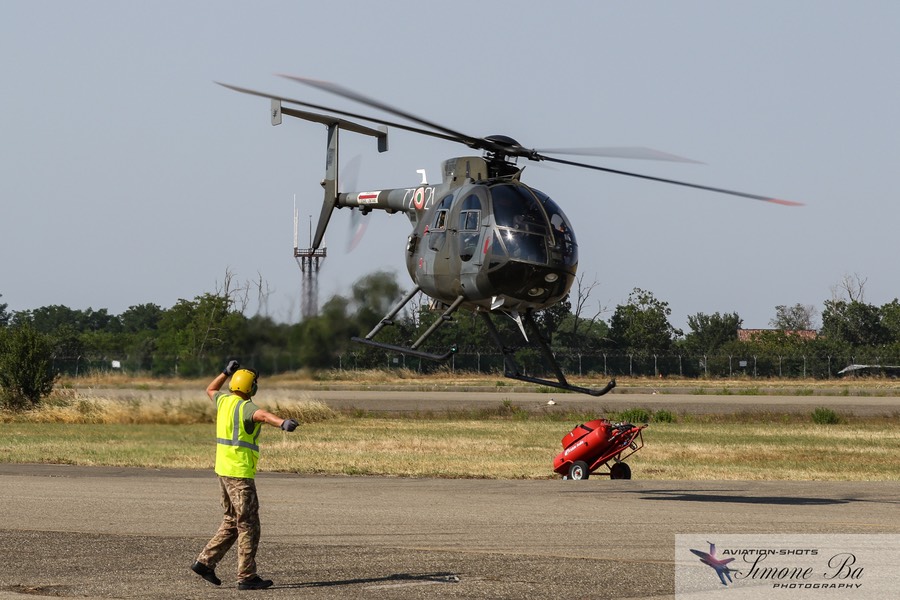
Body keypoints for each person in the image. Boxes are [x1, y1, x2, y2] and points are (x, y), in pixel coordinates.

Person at [191, 360, 299, 590]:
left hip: (223, 471)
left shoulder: (224, 401)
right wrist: (283, 423)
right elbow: (263, 415)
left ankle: (204, 563)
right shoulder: (245, 407)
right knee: (248, 525)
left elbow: (210, 389)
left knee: (232, 521)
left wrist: (223, 372)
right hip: (240, 476)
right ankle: (247, 576)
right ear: (252, 388)